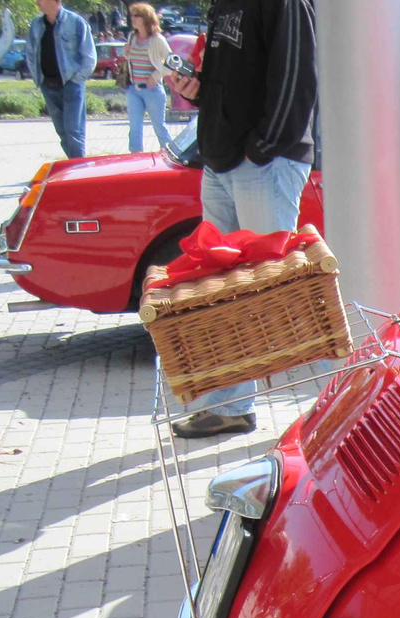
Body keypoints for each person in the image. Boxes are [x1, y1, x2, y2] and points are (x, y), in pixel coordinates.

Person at [165, 0, 317, 438]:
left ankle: (325, 407)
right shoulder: (222, 5)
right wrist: (199, 92)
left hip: (262, 164)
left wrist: (263, 146)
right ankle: (229, 407)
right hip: (220, 161)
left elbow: (298, 75)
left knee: (276, 292)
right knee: (226, 292)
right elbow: (231, 81)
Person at [26, 0, 96, 160]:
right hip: (48, 84)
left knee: (73, 130)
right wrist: (39, 77)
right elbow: (30, 53)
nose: (38, 2)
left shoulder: (76, 22)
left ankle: (79, 171)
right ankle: (73, 167)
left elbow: (89, 56)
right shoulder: (36, 24)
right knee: (62, 131)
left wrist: (76, 80)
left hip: (71, 84)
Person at [120, 2, 170, 153]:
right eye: (132, 16)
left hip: (152, 90)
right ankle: (135, 158)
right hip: (134, 89)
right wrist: (126, 51)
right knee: (134, 128)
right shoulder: (132, 37)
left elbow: (172, 62)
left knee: (159, 127)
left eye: (137, 15)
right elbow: (130, 59)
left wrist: (155, 76)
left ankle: (170, 156)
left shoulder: (157, 39)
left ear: (147, 18)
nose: (133, 19)